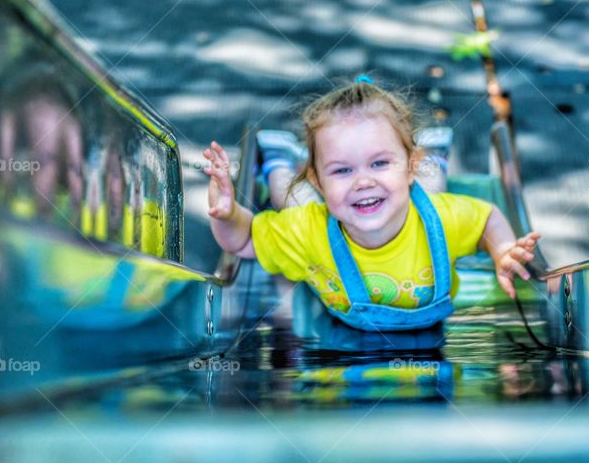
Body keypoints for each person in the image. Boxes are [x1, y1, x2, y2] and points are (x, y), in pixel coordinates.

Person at [203, 77, 540, 332]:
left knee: (430, 187)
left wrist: (503, 249)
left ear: (407, 165)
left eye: (379, 163)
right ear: (319, 181)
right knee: (290, 201)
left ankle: (432, 156)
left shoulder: (439, 219)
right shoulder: (308, 229)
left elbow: (486, 219)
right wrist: (228, 214)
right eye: (342, 170)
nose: (363, 181)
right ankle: (278, 160)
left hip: (418, 192)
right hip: (320, 215)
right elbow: (244, 239)